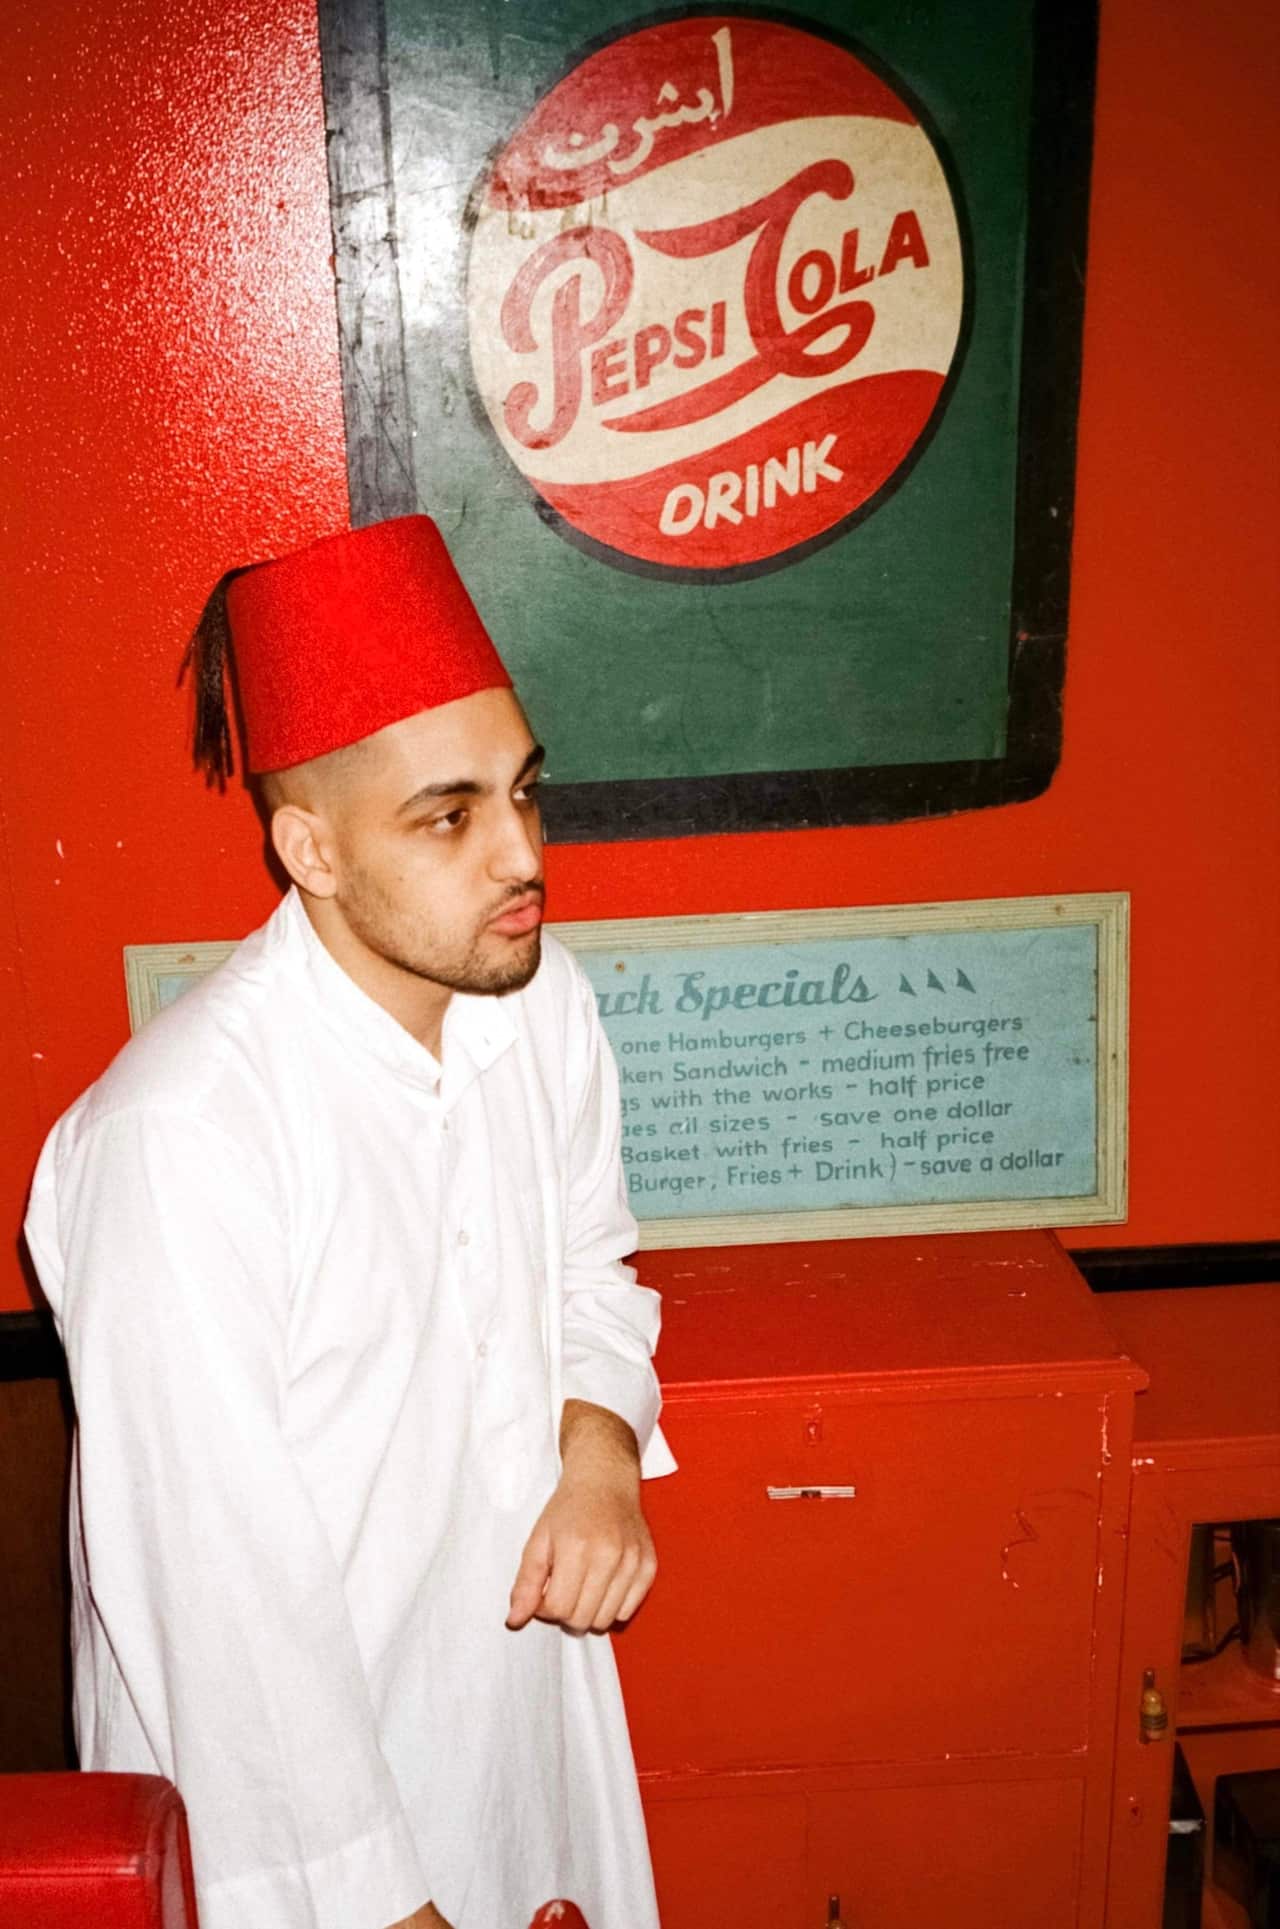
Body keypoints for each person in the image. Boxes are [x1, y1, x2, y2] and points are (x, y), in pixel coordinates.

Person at [24, 514, 674, 1929]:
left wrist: (599, 1446)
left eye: (523, 790)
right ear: (308, 847)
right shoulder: (184, 1140)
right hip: (298, 1836)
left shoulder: (534, 999)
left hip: (521, 1733)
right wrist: (384, 1908)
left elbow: (593, 1267)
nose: (521, 855)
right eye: (448, 814)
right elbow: (217, 1597)